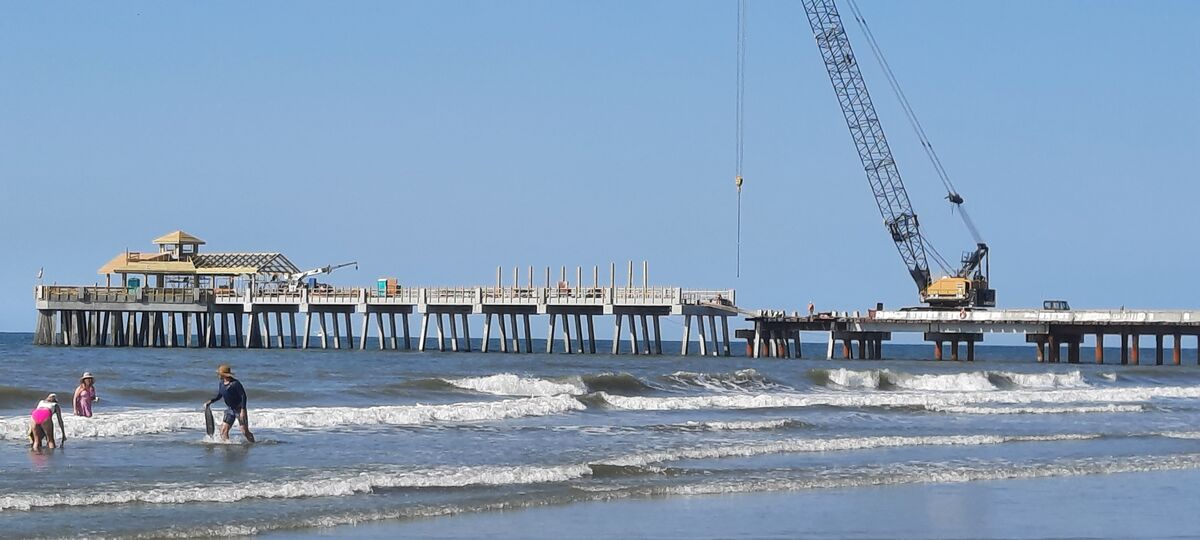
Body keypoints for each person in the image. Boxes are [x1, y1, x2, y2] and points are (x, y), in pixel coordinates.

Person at [203, 364, 255, 442]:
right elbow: (220, 395)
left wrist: (243, 410)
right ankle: (227, 445)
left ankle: (253, 443)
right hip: (230, 410)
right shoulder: (221, 383)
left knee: (244, 431)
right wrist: (211, 401)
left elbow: (243, 396)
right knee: (223, 431)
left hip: (239, 409)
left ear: (224, 374)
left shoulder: (235, 383)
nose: (218, 375)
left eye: (219, 374)